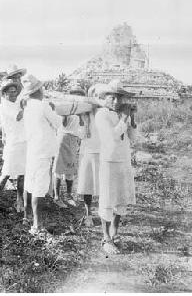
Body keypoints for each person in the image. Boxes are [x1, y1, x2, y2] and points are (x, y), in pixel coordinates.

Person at [94, 80, 137, 254]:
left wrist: (131, 118)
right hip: (109, 161)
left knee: (121, 198)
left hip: (123, 160)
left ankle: (115, 231)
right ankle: (105, 237)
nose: (117, 102)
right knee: (107, 199)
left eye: (120, 98)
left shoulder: (121, 114)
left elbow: (132, 136)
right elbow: (112, 136)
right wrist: (125, 118)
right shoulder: (102, 115)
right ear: (106, 98)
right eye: (113, 97)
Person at [19, 74, 62, 235]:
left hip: (32, 150)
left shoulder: (27, 105)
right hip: (43, 151)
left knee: (30, 184)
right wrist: (53, 109)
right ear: (38, 90)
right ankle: (37, 225)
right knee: (39, 188)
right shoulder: (43, 105)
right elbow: (58, 123)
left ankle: (28, 217)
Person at [0, 81, 26, 214]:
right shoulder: (4, 106)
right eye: (11, 92)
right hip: (13, 143)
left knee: (22, 174)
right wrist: (28, 106)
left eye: (15, 91)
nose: (14, 94)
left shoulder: (16, 103)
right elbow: (19, 116)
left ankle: (19, 202)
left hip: (23, 142)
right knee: (5, 174)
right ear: (4, 93)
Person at [76, 83, 107, 227]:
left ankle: (104, 214)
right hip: (88, 151)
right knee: (87, 185)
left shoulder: (106, 112)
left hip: (103, 152)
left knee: (104, 185)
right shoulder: (85, 112)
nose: (98, 99)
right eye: (95, 96)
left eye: (101, 96)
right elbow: (80, 133)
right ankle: (88, 215)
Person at [52, 85, 87, 209]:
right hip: (63, 138)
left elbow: (82, 125)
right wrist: (67, 113)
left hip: (74, 139)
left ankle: (68, 195)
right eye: (75, 96)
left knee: (70, 168)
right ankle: (56, 196)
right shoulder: (66, 107)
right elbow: (63, 124)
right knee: (59, 168)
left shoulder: (81, 110)